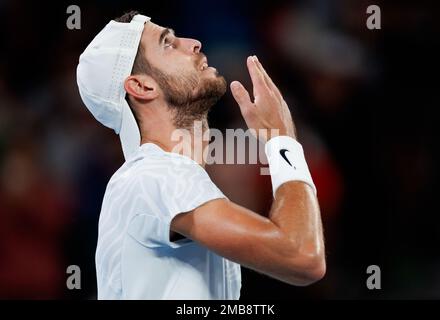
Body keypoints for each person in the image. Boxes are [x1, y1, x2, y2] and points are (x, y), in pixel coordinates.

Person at [76, 11, 325, 300]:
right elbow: (303, 256)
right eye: (168, 43)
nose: (193, 43)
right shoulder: (156, 174)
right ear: (142, 86)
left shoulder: (156, 177)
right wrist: (282, 140)